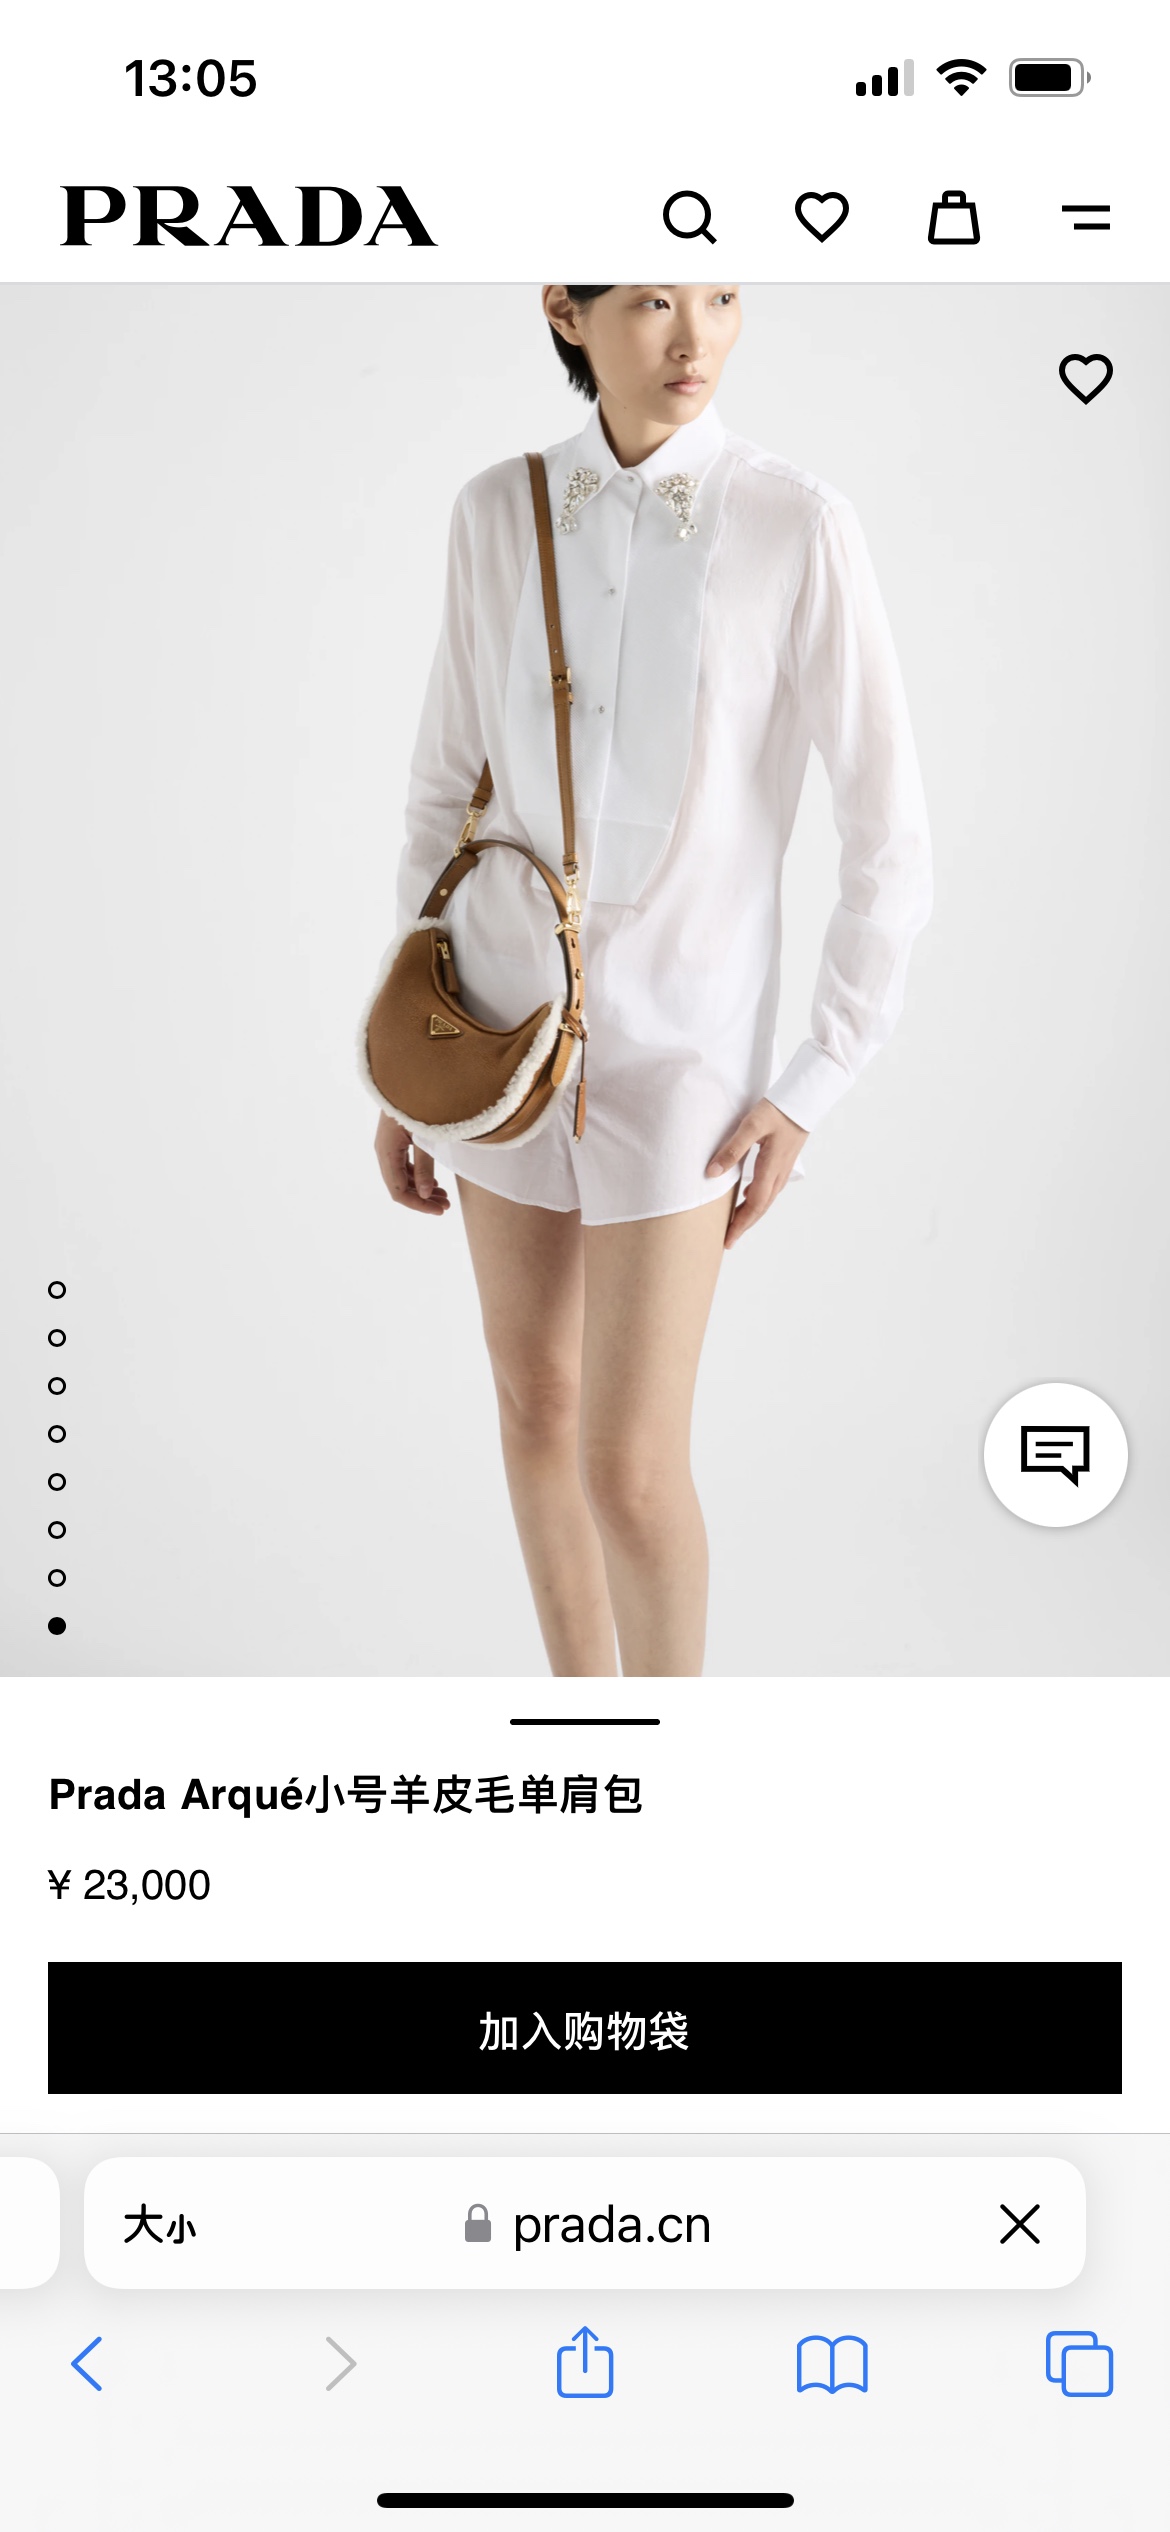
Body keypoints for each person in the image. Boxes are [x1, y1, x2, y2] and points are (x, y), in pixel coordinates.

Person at [372, 285, 931, 1677]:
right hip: (498, 1025)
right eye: (651, 303)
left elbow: (888, 833)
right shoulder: (496, 512)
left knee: (627, 1464)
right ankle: (592, 1742)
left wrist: (816, 1076)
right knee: (533, 1406)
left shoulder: (794, 524)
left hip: (688, 1054)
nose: (695, 340)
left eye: (724, 298)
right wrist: (412, 1053)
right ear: (566, 312)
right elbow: (444, 788)